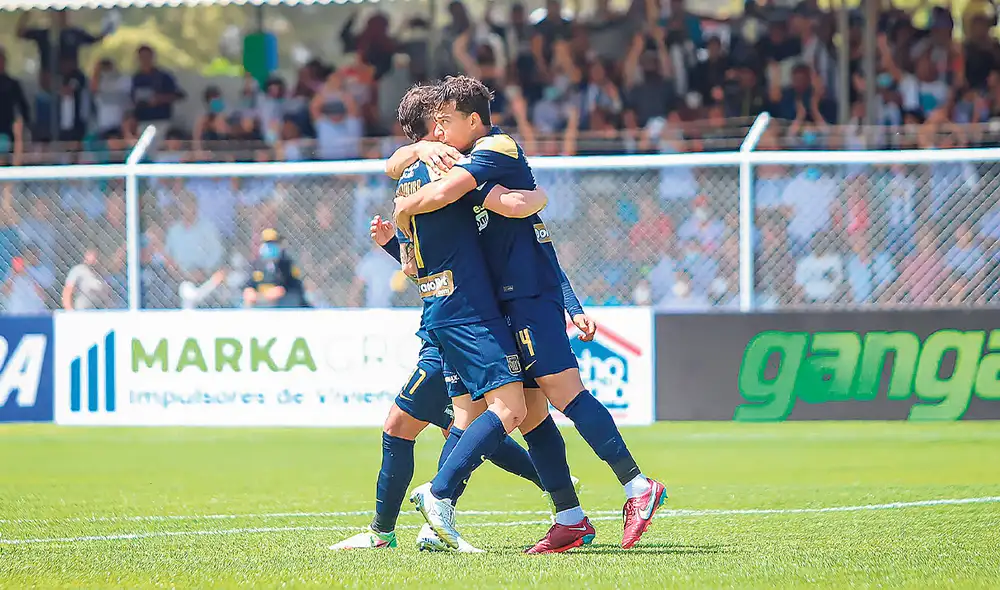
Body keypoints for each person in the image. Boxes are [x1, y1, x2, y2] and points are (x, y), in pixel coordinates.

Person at [394, 75, 666, 552]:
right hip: (507, 301)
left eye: (447, 122)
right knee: (532, 414)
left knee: (564, 393)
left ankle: (637, 487)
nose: (439, 131)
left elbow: (507, 205)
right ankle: (570, 517)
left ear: (472, 120)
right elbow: (525, 215)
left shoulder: (495, 145)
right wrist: (418, 154)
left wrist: (405, 207)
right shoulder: (463, 159)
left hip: (527, 298)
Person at [242, 229, 308, 308]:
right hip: (260, 301)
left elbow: (296, 287)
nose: (270, 247)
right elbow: (248, 285)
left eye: (273, 243)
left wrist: (282, 290)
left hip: (282, 303)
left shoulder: (287, 264)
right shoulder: (256, 264)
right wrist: (249, 291)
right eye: (267, 243)